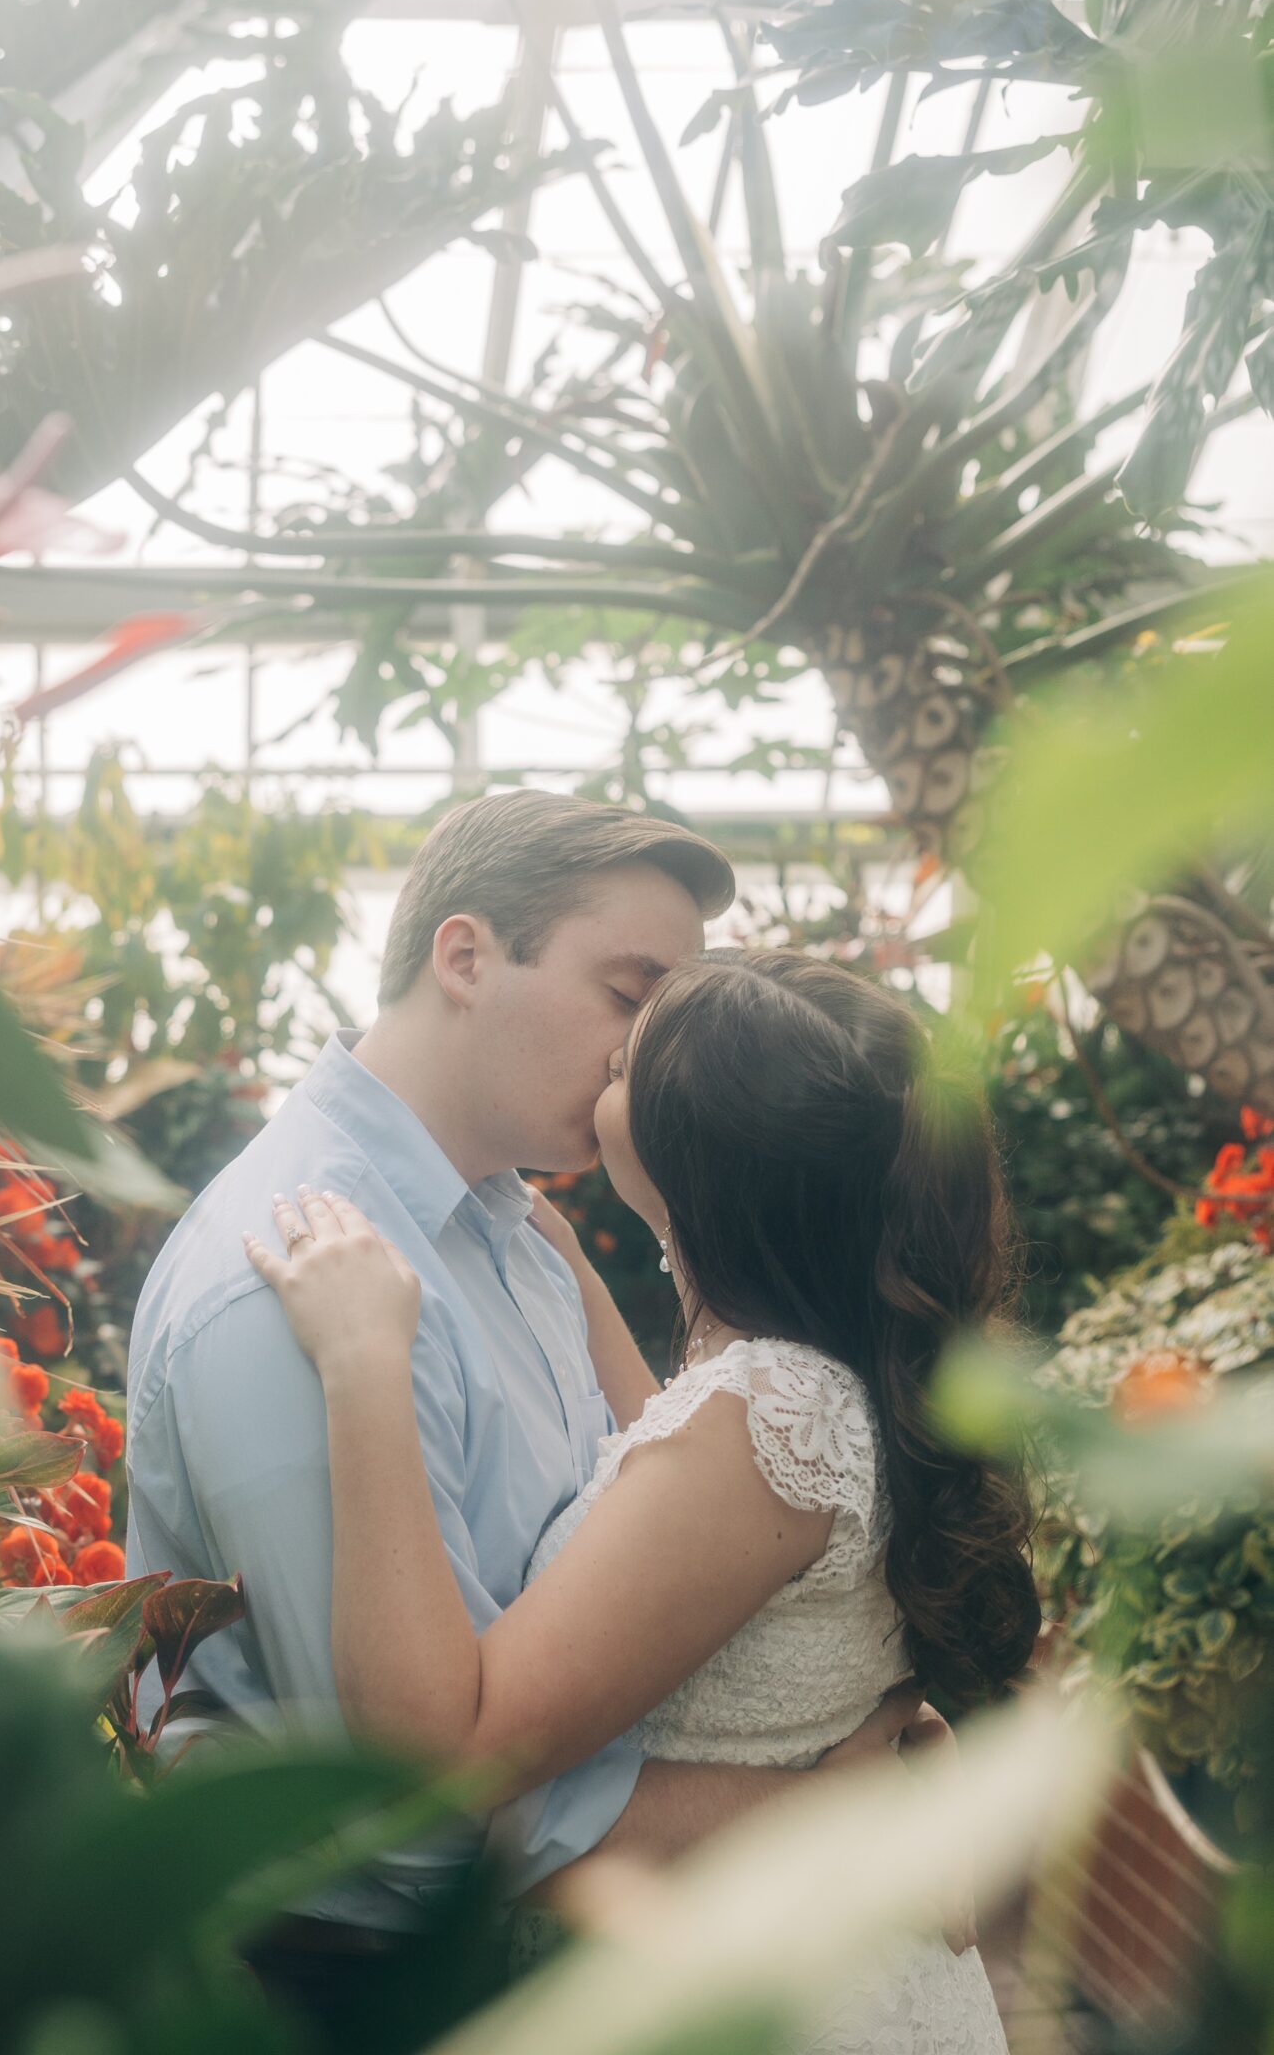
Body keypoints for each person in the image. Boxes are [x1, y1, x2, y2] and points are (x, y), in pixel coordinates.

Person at [247, 944, 1044, 2055]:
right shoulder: (827, 1369)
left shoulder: (770, 1412)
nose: (602, 1057)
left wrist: (363, 1369)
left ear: (695, 1150)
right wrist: (541, 1235)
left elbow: (441, 1746)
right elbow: (659, 1457)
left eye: (629, 1055)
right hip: (834, 2009)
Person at [125, 794, 931, 1994]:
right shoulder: (286, 1279)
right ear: (466, 956)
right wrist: (808, 1806)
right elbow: (411, 1821)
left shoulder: (522, 1234)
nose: (641, 1054)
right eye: (627, 991)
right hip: (361, 1997)